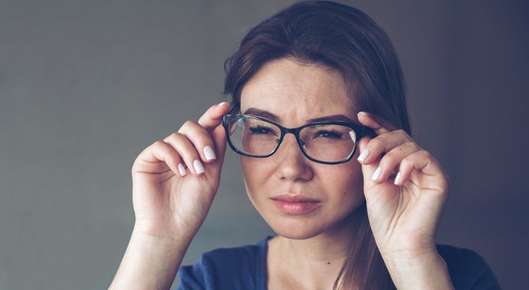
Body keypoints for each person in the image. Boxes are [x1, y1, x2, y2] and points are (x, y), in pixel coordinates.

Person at [108, 1, 502, 289]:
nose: (291, 168)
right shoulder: (213, 281)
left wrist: (410, 259)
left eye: (327, 133)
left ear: (383, 141)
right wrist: (156, 239)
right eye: (262, 129)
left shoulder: (455, 278)